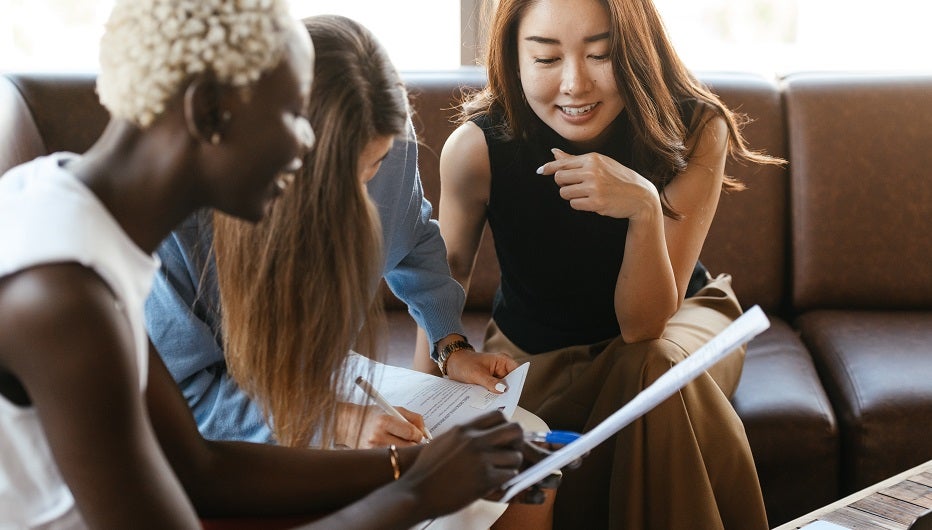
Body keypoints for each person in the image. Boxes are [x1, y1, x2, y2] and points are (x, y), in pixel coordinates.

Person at [0, 2, 527, 528]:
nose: (305, 144)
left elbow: (200, 469)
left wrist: (409, 464)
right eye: (291, 113)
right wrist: (416, 492)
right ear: (209, 113)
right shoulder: (61, 298)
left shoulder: (76, 216)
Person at [432, 0, 785, 528]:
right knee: (647, 382)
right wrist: (424, 409)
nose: (575, 84)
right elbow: (444, 276)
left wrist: (644, 208)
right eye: (546, 59)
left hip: (680, 322)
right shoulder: (477, 147)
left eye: (601, 54)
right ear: (514, 59)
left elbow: (643, 327)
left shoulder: (694, 128)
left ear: (637, 51)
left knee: (651, 366)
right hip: (536, 349)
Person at [145, 14, 512, 449]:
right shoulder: (176, 222)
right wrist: (334, 423)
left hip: (323, 387)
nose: (360, 201)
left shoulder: (391, 146)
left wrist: (450, 345)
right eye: (337, 179)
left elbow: (412, 238)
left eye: (373, 166)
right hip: (224, 447)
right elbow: (186, 399)